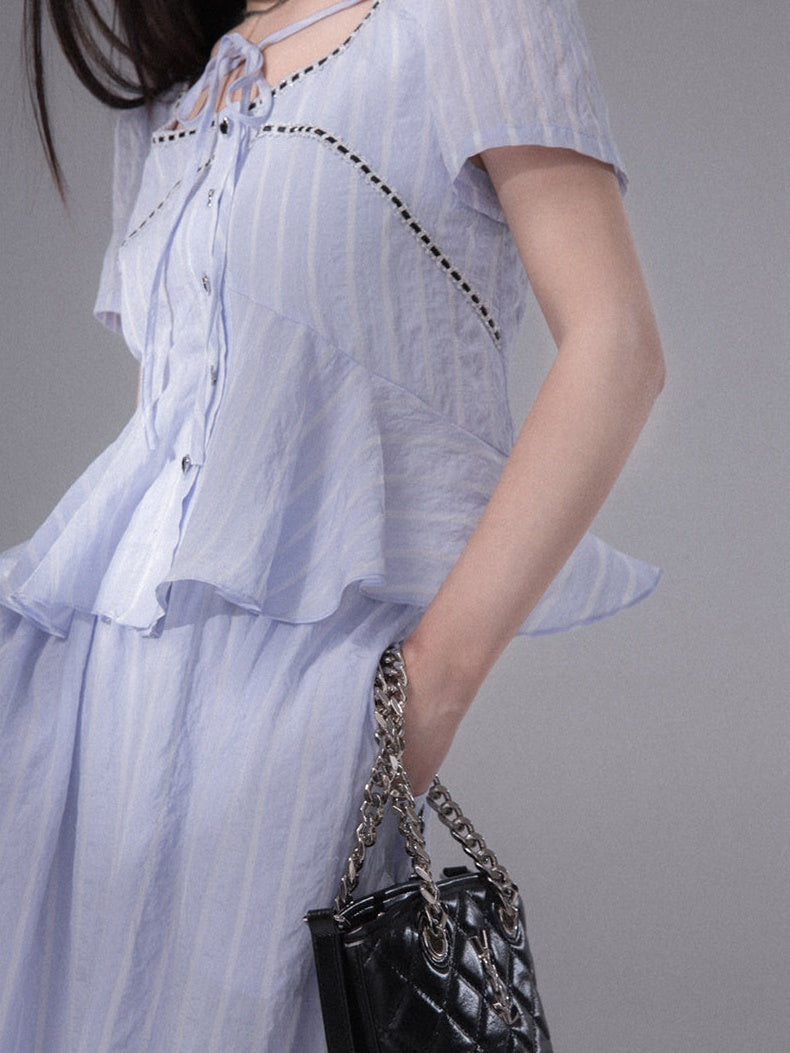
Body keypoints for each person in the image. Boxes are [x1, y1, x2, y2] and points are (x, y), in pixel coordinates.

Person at [1, 0, 665, 1048]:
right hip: (85, 719)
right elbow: (180, 432)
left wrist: (422, 693)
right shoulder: (173, 99)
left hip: (299, 720)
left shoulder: (462, 18)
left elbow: (616, 346)